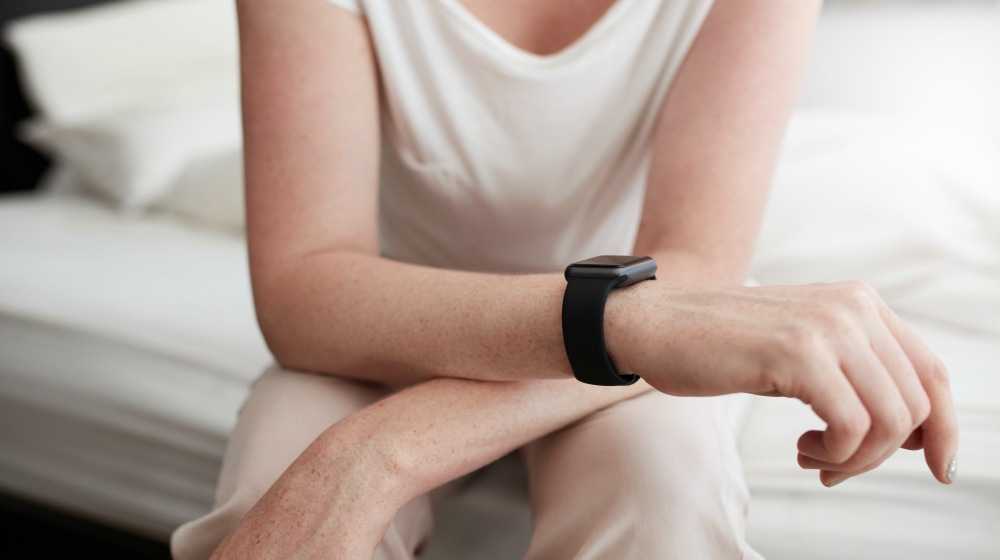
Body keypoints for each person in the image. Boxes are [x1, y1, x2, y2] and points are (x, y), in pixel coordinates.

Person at [171, 0, 959, 558]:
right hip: (398, 324)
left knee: (662, 511)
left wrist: (377, 452)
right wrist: (622, 325)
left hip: (653, 343)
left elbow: (697, 271)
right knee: (271, 505)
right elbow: (303, 288)